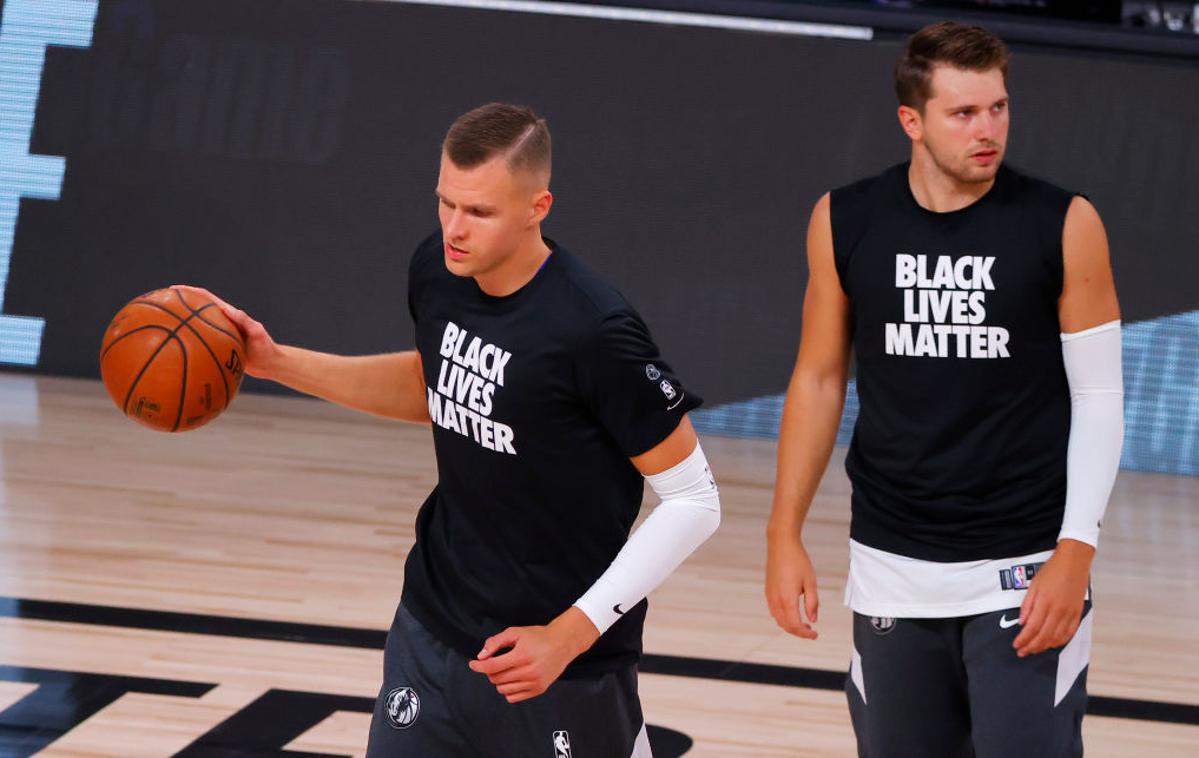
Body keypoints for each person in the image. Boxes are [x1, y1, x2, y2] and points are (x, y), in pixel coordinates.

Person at [187, 103, 720, 757]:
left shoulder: (594, 330)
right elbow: (437, 384)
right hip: (432, 627)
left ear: (537, 206)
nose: (454, 229)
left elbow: (694, 500)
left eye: (480, 212)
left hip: (554, 663)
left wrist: (569, 633)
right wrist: (276, 363)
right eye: (446, 203)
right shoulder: (439, 271)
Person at [764, 22, 1123, 757]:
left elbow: (1099, 398)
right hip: (889, 567)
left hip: (1021, 571)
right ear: (912, 121)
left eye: (997, 107)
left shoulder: (1063, 223)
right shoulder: (844, 219)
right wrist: (783, 532)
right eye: (963, 113)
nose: (986, 129)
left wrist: (1074, 551)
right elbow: (818, 377)